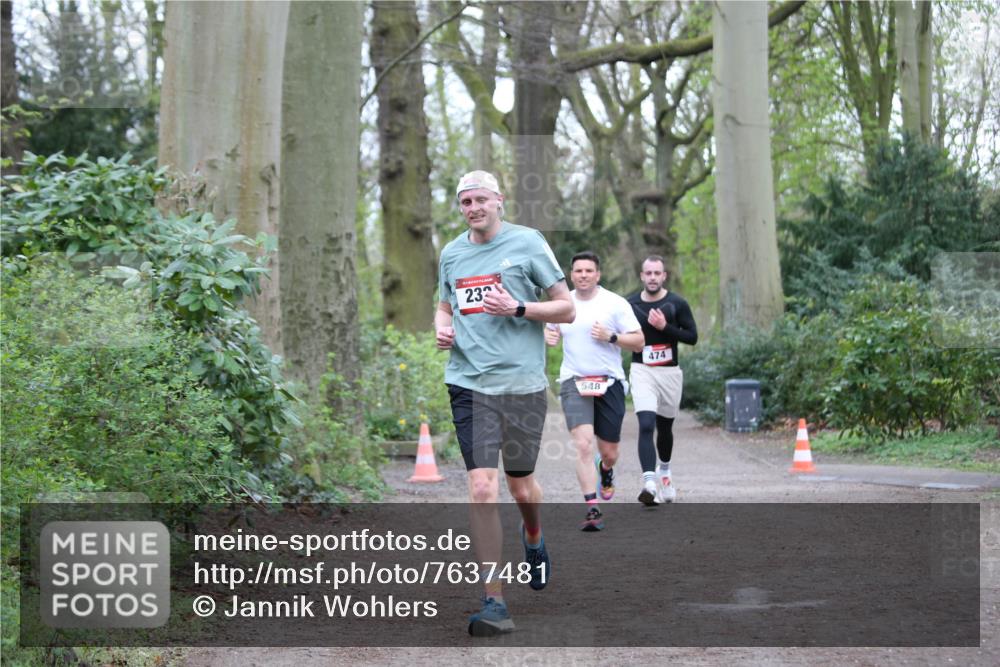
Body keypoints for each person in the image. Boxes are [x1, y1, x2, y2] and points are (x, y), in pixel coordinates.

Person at [435, 170, 575, 636]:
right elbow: (445, 303)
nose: (472, 208)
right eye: (464, 202)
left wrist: (518, 308)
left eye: (479, 200)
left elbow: (566, 307)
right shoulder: (452, 253)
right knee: (481, 487)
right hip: (469, 384)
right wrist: (441, 325)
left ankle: (533, 535)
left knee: (520, 488)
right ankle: (494, 601)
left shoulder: (529, 244)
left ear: (499, 200)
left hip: (521, 385)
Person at [545, 251, 643, 531]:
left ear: (598, 275)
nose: (583, 275)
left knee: (609, 451)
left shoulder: (615, 303)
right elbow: (549, 330)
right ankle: (592, 508)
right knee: (584, 444)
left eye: (589, 271)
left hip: (609, 382)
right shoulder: (563, 304)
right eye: (578, 271)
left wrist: (611, 337)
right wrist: (548, 335)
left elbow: (639, 342)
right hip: (573, 382)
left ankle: (607, 469)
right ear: (571, 275)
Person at [627, 256, 698, 505]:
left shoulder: (677, 303)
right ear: (642, 276)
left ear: (664, 276)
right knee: (646, 424)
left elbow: (692, 337)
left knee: (665, 428)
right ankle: (649, 483)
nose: (653, 278)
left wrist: (665, 326)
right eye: (648, 273)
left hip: (669, 372)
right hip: (642, 369)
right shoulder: (630, 304)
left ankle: (664, 472)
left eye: (657, 273)